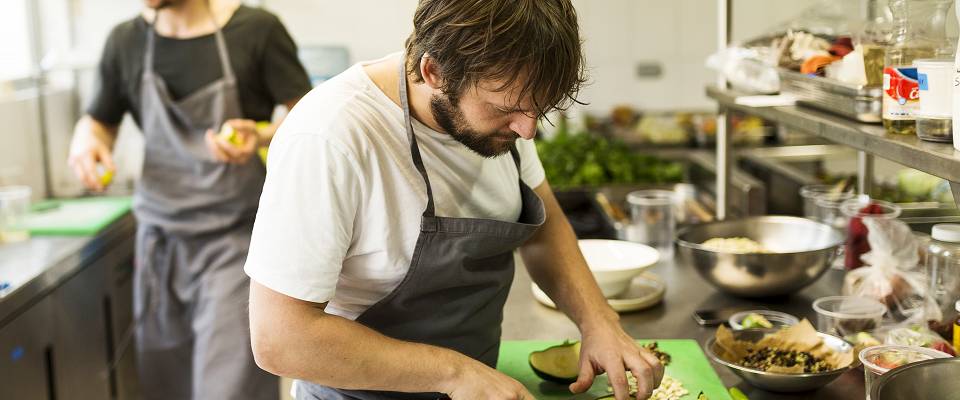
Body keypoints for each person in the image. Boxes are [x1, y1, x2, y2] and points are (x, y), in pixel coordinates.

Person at [244, 0, 664, 399]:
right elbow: (280, 338)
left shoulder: (509, 116)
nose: (528, 130)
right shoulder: (330, 137)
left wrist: (599, 321)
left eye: (541, 109)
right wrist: (454, 372)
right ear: (434, 72)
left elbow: (544, 228)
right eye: (507, 109)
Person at [67, 0, 311, 398]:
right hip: (159, 246)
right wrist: (88, 141)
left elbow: (307, 116)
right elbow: (99, 121)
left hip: (236, 247)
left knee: (230, 388)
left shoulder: (257, 30)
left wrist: (261, 135)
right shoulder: (126, 41)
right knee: (168, 385)